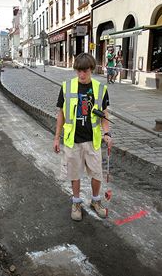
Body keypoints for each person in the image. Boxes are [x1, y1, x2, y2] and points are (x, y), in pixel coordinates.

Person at [53, 53, 112, 221]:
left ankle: (95, 201)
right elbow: (61, 114)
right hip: (73, 140)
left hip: (92, 140)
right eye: (78, 71)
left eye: (85, 71)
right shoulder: (66, 87)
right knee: (74, 174)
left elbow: (104, 114)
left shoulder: (100, 89)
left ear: (91, 69)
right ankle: (76, 202)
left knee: (96, 173)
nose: (81, 75)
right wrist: (57, 137)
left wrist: (106, 133)